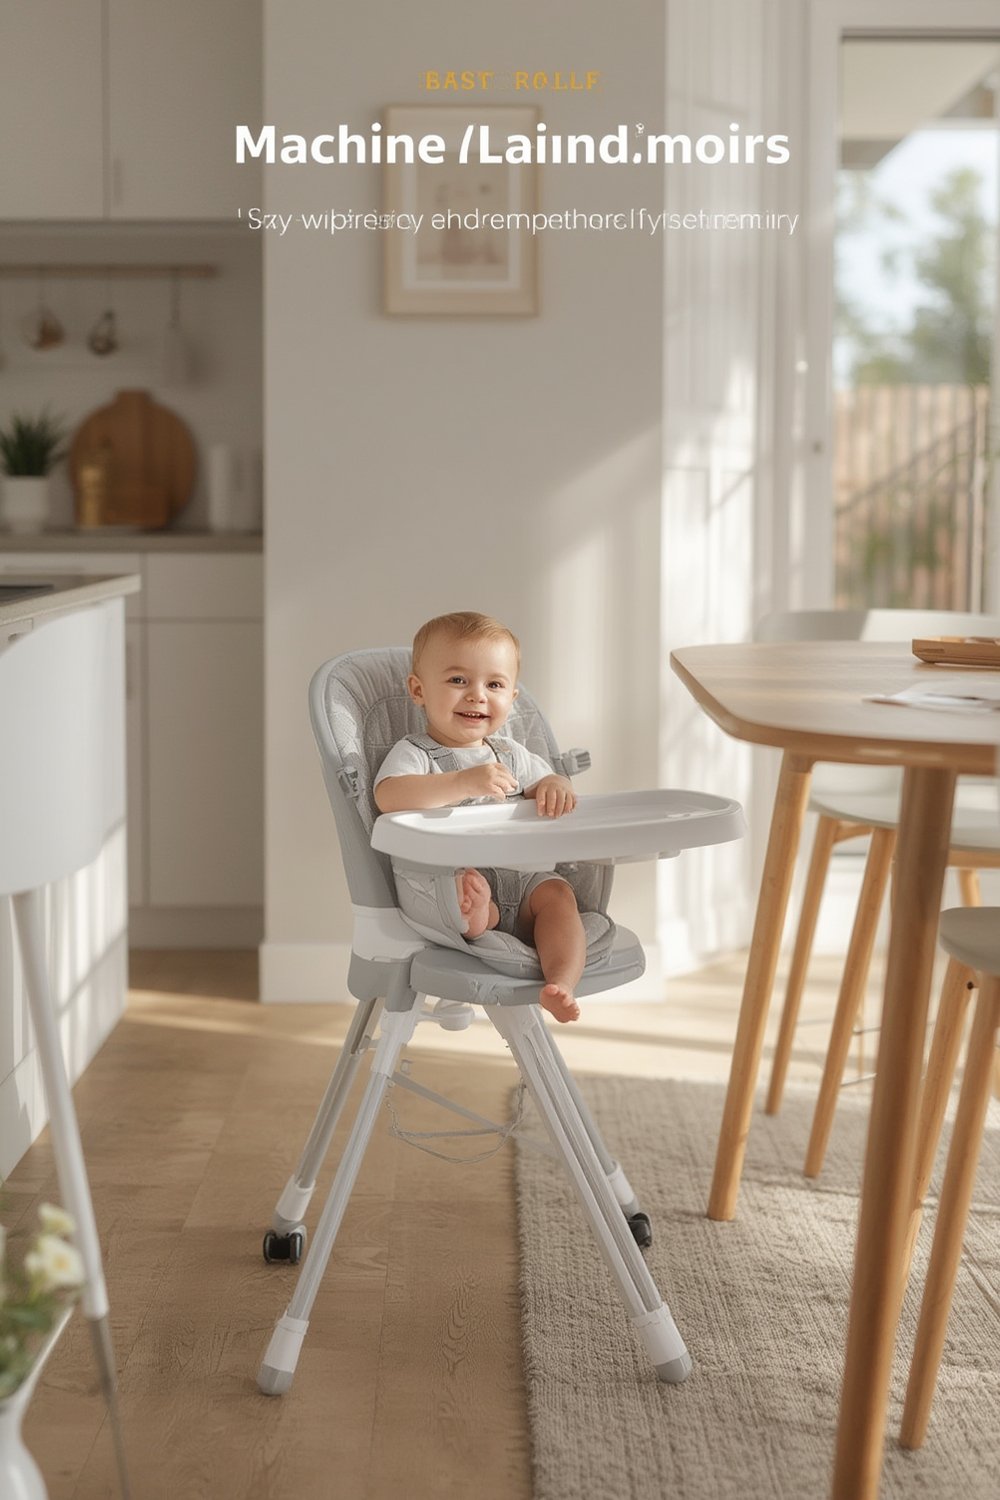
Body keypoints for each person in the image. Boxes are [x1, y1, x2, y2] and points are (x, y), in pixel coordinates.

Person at [373, 611, 586, 1023]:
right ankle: (477, 921)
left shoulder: (511, 753)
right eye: (458, 681)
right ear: (418, 690)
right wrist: (461, 783)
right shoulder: (415, 752)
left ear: (513, 698)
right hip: (456, 884)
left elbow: (550, 783)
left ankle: (561, 984)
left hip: (523, 883)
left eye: (494, 684)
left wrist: (556, 784)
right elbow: (389, 796)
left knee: (559, 897)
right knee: (468, 890)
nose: (477, 695)